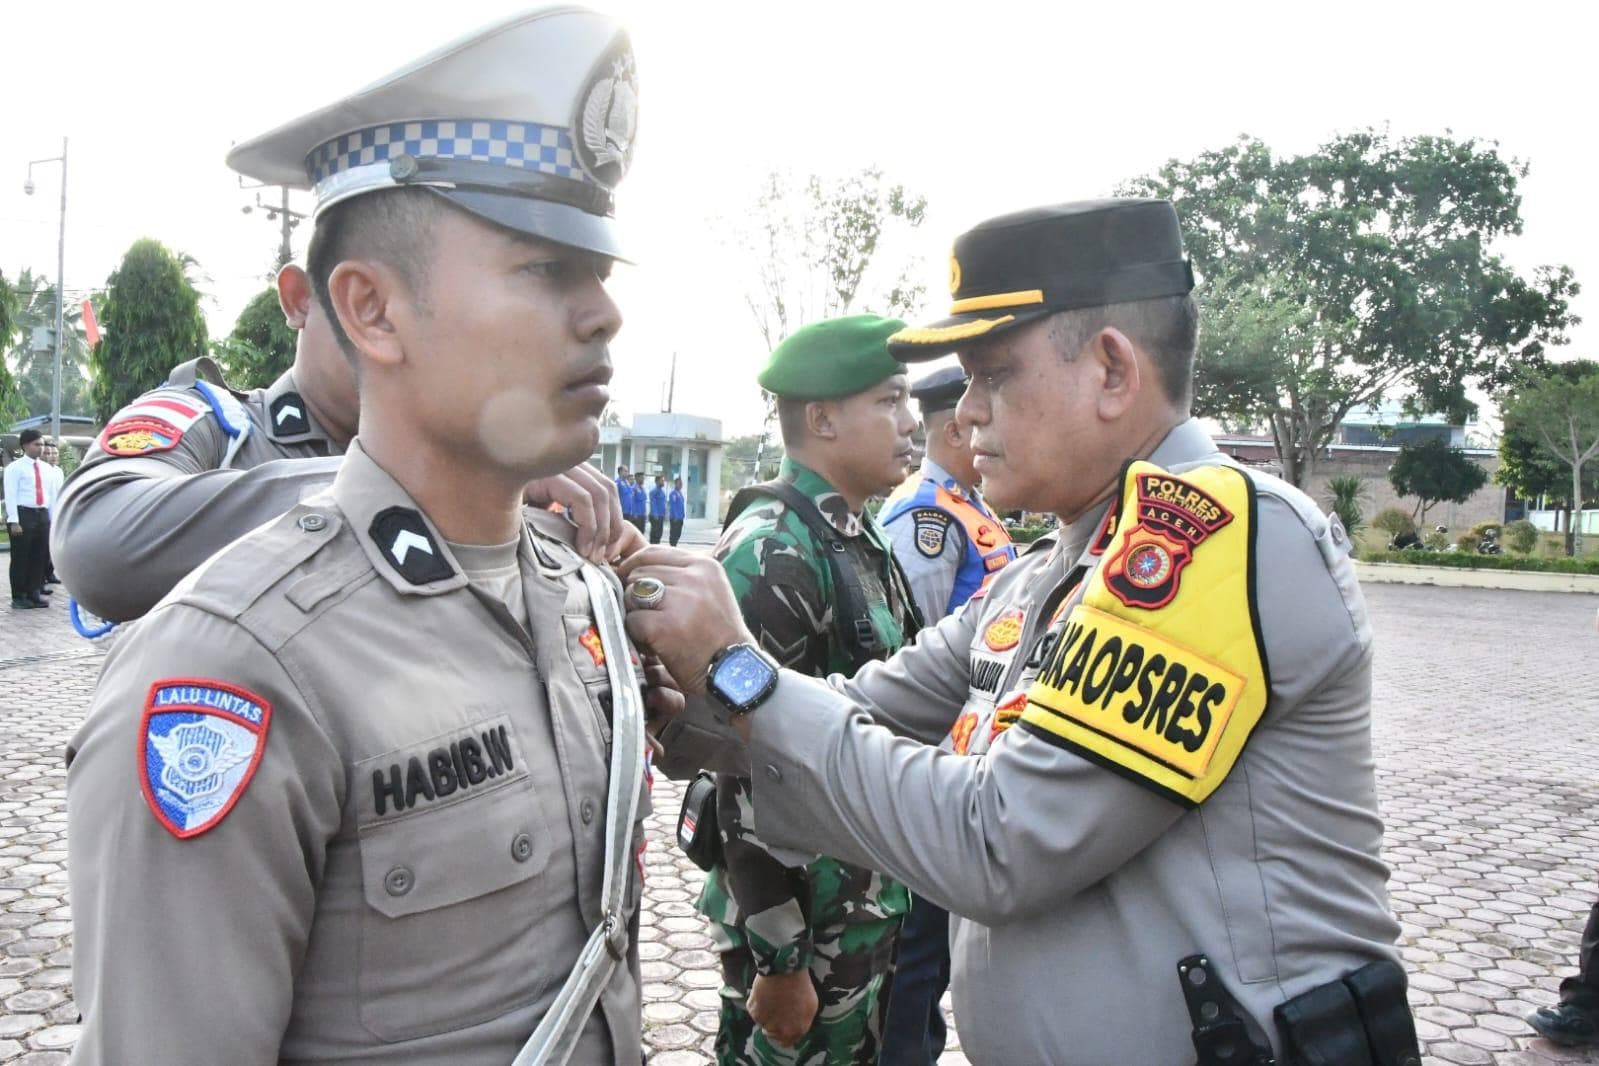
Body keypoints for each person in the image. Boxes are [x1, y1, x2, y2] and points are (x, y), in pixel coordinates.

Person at [626, 199, 1420, 1064]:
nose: (962, 415)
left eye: (992, 375)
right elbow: (858, 708)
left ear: (1112, 371)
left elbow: (998, 839)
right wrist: (671, 698)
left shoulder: (1210, 536)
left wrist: (737, 670)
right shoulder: (1045, 570)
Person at [66, 8, 662, 1064]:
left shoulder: (574, 593)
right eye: (542, 268)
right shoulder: (238, 665)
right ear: (371, 309)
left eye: (600, 267)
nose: (603, 311)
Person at [697, 314, 920, 1066]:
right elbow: (738, 762)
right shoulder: (773, 552)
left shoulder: (858, 536)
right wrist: (779, 961)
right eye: (890, 401)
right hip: (803, 919)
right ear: (823, 419)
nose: (912, 423)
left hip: (859, 903)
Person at [874, 364, 1017, 1065]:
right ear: (955, 428)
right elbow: (913, 649)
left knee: (931, 961)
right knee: (916, 961)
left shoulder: (969, 508)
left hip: (965, 771)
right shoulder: (925, 516)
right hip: (932, 774)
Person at [5, 429, 51, 609]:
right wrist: (14, 520)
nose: (41, 448)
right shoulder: (14, 468)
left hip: (42, 513)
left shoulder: (46, 468)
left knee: (39, 556)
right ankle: (19, 596)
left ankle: (34, 593)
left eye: (42, 444)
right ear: (25, 446)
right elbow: (10, 494)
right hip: (23, 514)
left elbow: (50, 494)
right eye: (36, 444)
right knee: (21, 557)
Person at [39, 440, 64, 587]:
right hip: (44, 513)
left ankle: (50, 572)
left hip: (57, 513)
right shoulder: (41, 471)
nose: (52, 456)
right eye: (48, 453)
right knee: (42, 547)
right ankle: (41, 576)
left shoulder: (58, 471)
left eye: (55, 453)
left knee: (53, 547)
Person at [648, 473, 668, 544]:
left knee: (659, 533)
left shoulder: (662, 492)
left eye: (663, 480)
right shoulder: (654, 491)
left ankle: (657, 545)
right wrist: (655, 514)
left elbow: (663, 504)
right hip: (656, 516)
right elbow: (653, 504)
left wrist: (665, 514)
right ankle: (652, 546)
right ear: (656, 481)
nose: (663, 482)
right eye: (661, 480)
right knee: (654, 534)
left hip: (661, 515)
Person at [669, 475, 686, 546]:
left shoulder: (680, 493)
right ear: (675, 484)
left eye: (681, 484)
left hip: (680, 517)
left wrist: (682, 515)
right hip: (675, 518)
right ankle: (672, 546)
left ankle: (674, 545)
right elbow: (673, 506)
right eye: (679, 483)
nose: (681, 485)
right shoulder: (673, 494)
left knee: (678, 533)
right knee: (674, 534)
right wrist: (675, 516)